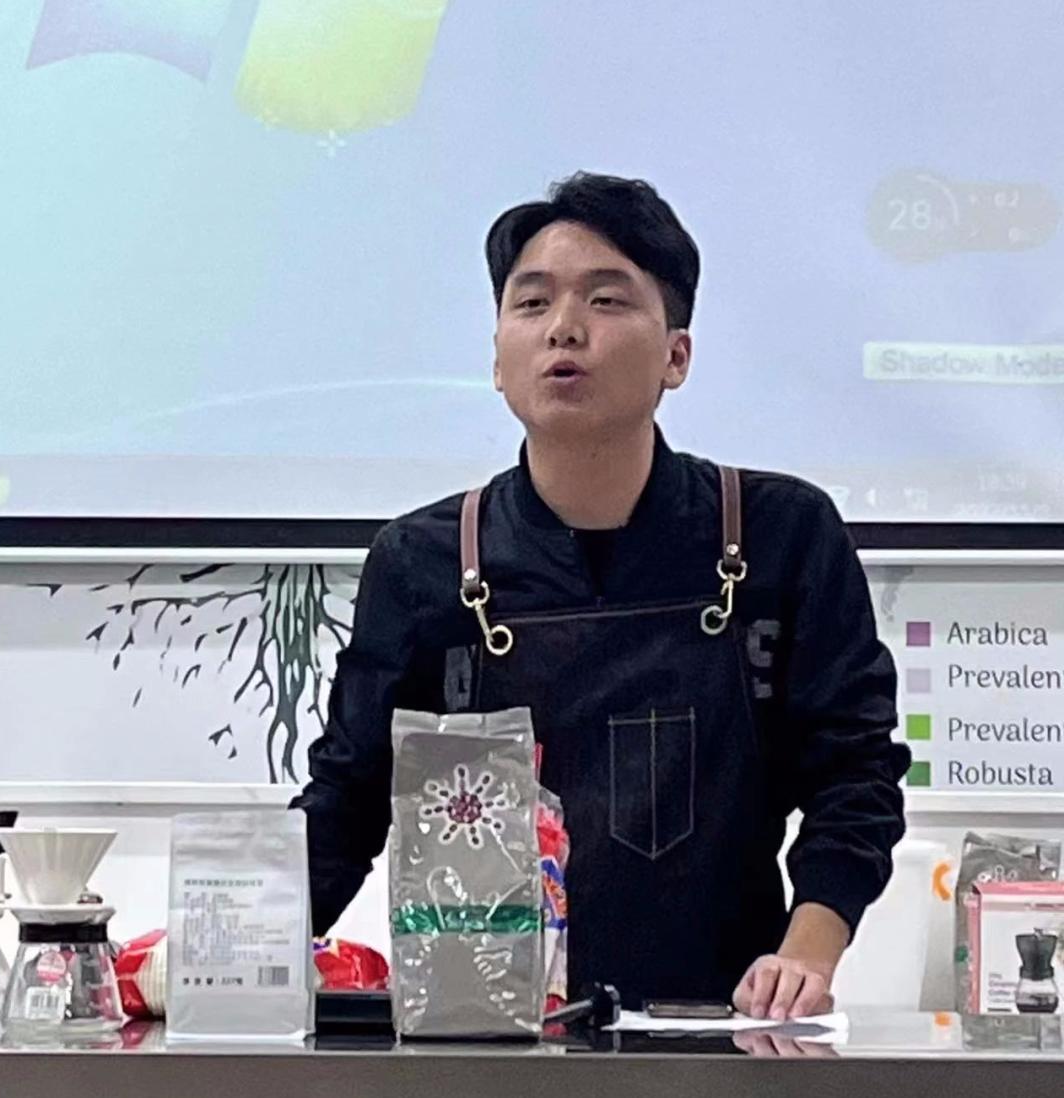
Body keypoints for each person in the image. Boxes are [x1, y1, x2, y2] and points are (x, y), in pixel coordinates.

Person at [294, 172, 910, 1020]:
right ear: (497, 361)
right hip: (481, 1038)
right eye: (532, 302)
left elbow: (856, 775)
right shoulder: (422, 561)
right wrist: (233, 959)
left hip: (719, 1030)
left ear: (677, 355)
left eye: (607, 299)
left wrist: (805, 953)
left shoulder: (781, 535)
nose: (564, 327)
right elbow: (348, 801)